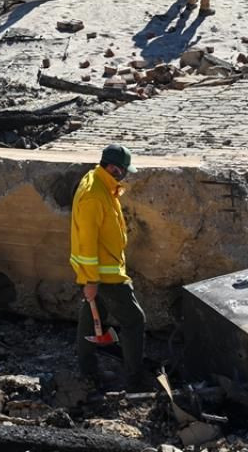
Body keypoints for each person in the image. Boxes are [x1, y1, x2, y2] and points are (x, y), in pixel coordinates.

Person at [70, 143, 147, 391]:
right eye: (123, 170)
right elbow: (87, 240)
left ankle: (87, 368)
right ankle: (136, 379)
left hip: (105, 269)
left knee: (92, 315)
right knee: (135, 320)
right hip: (105, 274)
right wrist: (91, 281)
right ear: (113, 168)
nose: (125, 175)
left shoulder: (101, 183)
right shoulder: (94, 194)